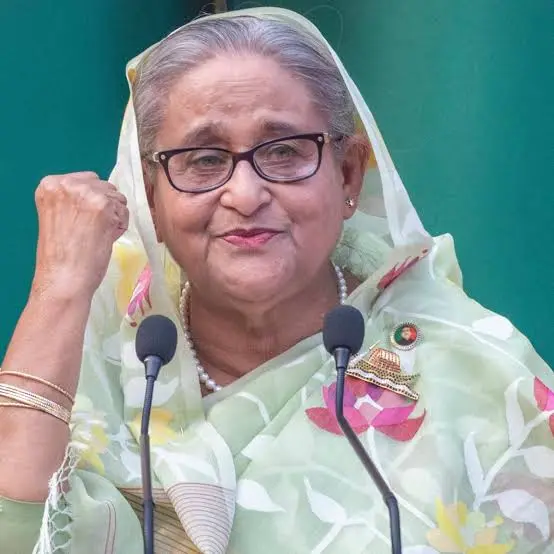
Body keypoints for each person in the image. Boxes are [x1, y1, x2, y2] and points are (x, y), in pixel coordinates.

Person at [1, 7, 553, 554]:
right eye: (203, 159)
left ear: (348, 174)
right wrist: (60, 285)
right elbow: (13, 529)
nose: (244, 195)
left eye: (284, 151)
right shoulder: (99, 357)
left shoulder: (480, 382)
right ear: (151, 200)